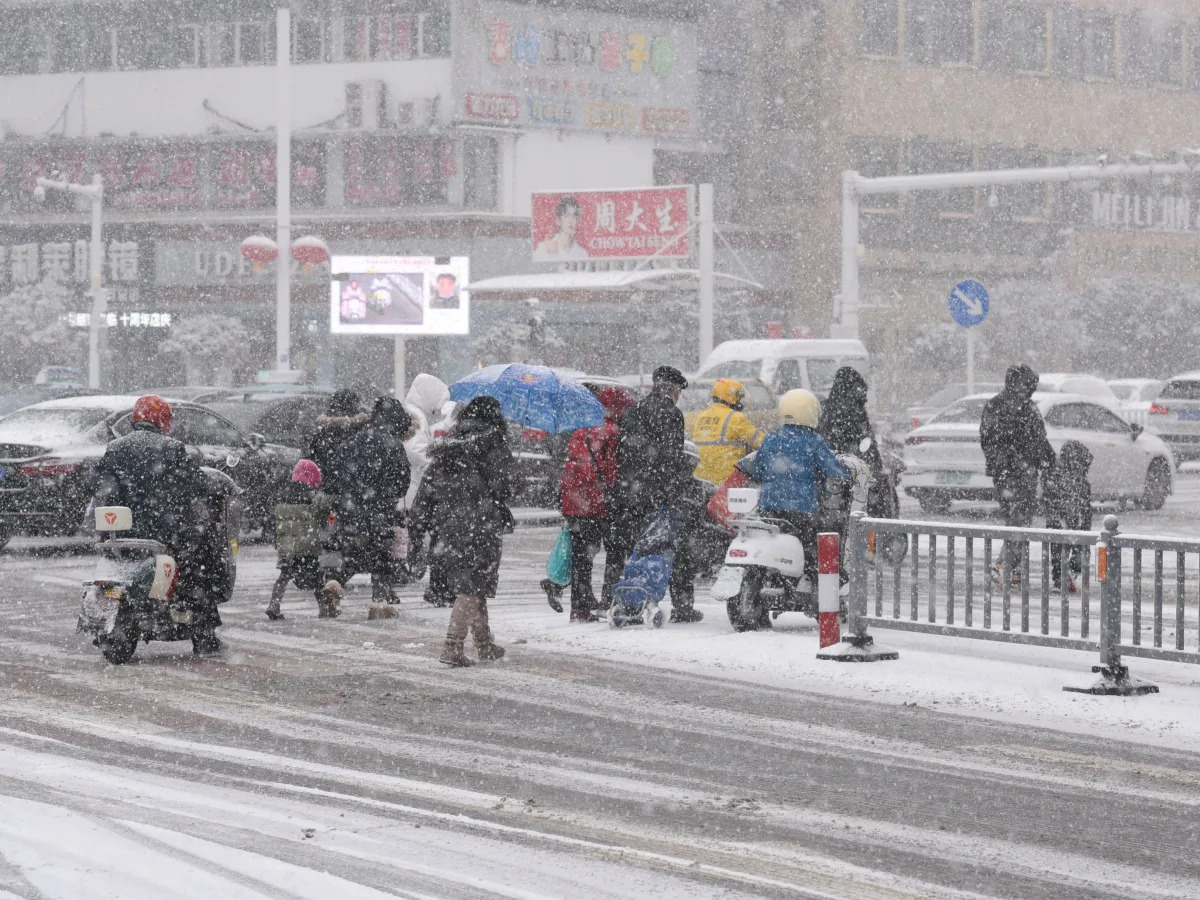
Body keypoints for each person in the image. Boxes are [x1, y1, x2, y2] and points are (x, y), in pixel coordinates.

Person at [92, 394, 220, 655]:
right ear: (163, 420)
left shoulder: (115, 447)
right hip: (163, 532)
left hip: (119, 532)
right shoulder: (172, 448)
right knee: (201, 564)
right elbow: (195, 485)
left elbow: (98, 485)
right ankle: (203, 631)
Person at [411, 396, 516, 667]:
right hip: (481, 525)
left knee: (473, 583)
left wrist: (418, 527)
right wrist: (512, 473)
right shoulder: (494, 445)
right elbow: (506, 489)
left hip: (448, 528)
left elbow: (426, 491)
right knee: (472, 585)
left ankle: (484, 643)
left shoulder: (447, 449)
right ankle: (452, 645)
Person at [612, 364, 703, 623]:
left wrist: (632, 483)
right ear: (673, 390)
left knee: (638, 549)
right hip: (660, 493)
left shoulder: (635, 411)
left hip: (633, 492)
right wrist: (669, 488)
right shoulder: (672, 414)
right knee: (676, 548)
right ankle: (683, 606)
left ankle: (630, 598)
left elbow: (624, 452)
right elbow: (671, 457)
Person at [739, 390, 849, 586]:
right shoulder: (812, 441)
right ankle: (820, 588)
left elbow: (755, 469)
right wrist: (844, 475)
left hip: (769, 508)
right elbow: (834, 471)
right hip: (803, 510)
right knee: (815, 546)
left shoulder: (771, 439)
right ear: (811, 412)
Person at [554, 386, 637, 622]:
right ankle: (609, 602)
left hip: (576, 505)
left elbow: (571, 467)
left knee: (582, 559)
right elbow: (612, 471)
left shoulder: (581, 430)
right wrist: (619, 494)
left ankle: (579, 609)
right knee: (615, 554)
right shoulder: (612, 432)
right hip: (601, 505)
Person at [330, 397, 412, 605]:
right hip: (380, 510)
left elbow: (337, 472)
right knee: (381, 558)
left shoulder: (354, 441)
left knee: (353, 557)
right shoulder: (393, 445)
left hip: (351, 509)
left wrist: (352, 494)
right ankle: (378, 604)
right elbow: (403, 482)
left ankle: (331, 585)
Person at [980, 364, 1055, 581]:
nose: (1030, 390)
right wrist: (1011, 464)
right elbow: (990, 442)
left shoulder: (1027, 407)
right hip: (1011, 475)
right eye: (1027, 384)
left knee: (1022, 521)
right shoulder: (998, 406)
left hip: (1025, 473)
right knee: (1018, 520)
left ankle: (1014, 569)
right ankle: (1005, 567)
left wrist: (1050, 461)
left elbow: (1040, 439)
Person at [403, 374, 454, 606]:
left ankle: (429, 577)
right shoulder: (416, 416)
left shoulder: (416, 414)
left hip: (419, 487)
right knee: (432, 537)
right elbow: (416, 451)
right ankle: (427, 577)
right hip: (419, 487)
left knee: (429, 536)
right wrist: (434, 466)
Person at [268, 459, 335, 621]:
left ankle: (273, 605)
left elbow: (275, 521)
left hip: (286, 545)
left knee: (284, 575)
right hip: (306, 546)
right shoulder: (315, 497)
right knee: (317, 579)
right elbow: (328, 512)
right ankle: (324, 609)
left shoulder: (281, 495)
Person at [692, 378, 765, 486]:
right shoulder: (735, 418)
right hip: (726, 482)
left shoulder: (701, 416)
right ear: (732, 397)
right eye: (739, 398)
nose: (741, 402)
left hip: (702, 481)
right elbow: (761, 443)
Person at [1044, 440, 1093, 594]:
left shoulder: (1053, 474)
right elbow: (1085, 505)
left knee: (1057, 551)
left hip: (1057, 521)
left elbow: (1047, 497)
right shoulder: (1080, 479)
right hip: (1076, 523)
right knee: (1080, 548)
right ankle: (1071, 571)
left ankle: (1060, 578)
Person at [305, 389, 369, 490]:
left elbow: (311, 464)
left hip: (326, 491)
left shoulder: (321, 433)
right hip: (358, 493)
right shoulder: (364, 434)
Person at [533, 195, 589, 261]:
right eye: (566, 215)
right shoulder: (545, 248)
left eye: (574, 216)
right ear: (558, 220)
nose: (571, 220)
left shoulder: (582, 254)